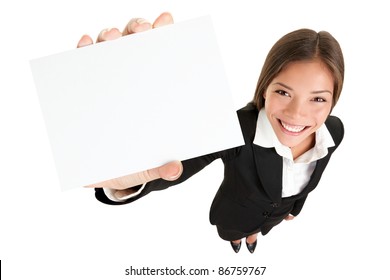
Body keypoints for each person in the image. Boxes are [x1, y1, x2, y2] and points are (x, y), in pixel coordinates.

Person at [80, 12, 344, 253]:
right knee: (235, 232)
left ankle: (252, 235)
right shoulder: (236, 128)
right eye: (283, 92)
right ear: (265, 89)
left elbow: (309, 177)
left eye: (318, 99)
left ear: (333, 101)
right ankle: (238, 238)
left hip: (274, 218)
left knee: (256, 231)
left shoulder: (334, 131)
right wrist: (124, 170)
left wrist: (295, 208)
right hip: (232, 217)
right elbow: (181, 164)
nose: (297, 114)